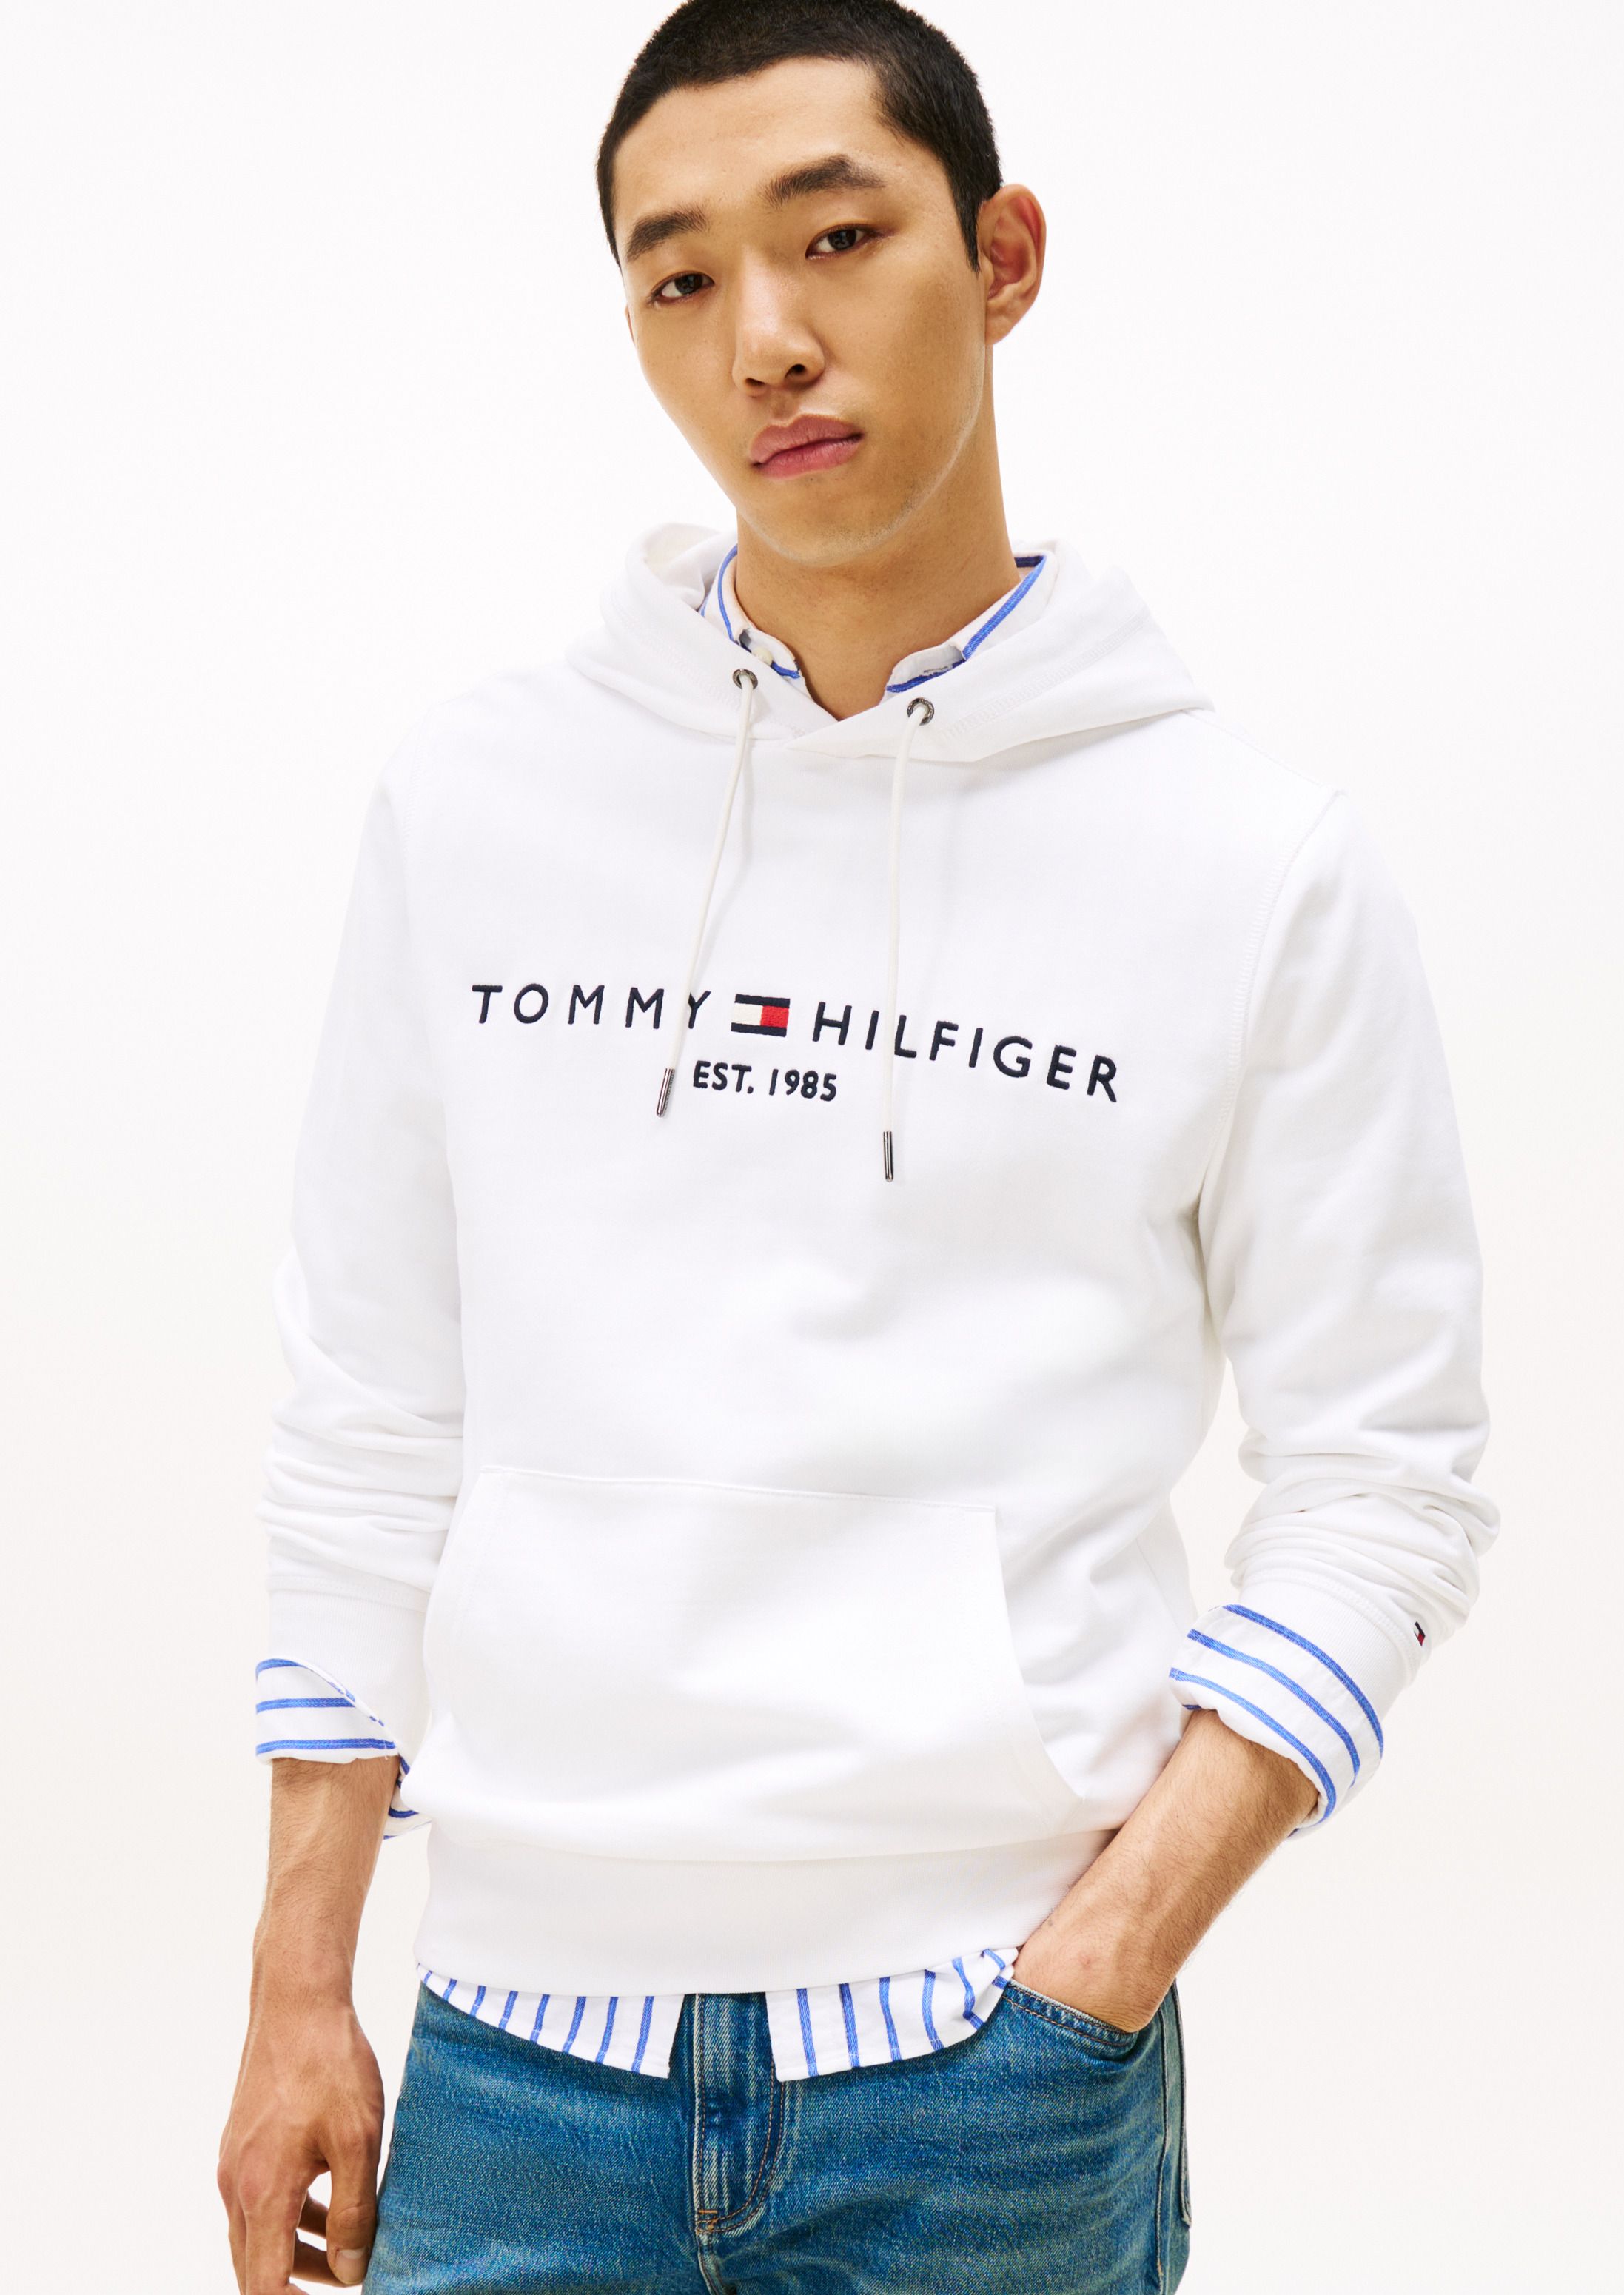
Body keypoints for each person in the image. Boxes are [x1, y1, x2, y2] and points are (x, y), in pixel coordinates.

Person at [217, 3, 1497, 2289]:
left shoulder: (1247, 860)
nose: (766, 341)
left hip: (991, 2068)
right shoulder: (478, 807)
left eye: (838, 238)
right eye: (680, 275)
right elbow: (370, 1414)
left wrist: (1103, 1954)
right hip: (512, 2058)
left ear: (1002, 258)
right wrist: (297, 1985)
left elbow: (1387, 1478)